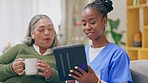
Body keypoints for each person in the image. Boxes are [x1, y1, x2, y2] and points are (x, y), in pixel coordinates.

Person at [67, 0, 132, 83]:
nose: (87, 27)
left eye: (92, 22)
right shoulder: (81, 53)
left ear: (104, 21)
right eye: (84, 24)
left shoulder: (117, 54)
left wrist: (96, 81)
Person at [0, 14, 64, 83]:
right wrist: (11, 68)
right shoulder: (20, 48)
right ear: (32, 34)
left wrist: (51, 74)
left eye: (50, 29)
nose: (47, 33)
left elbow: (66, 81)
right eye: (41, 30)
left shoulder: (60, 55)